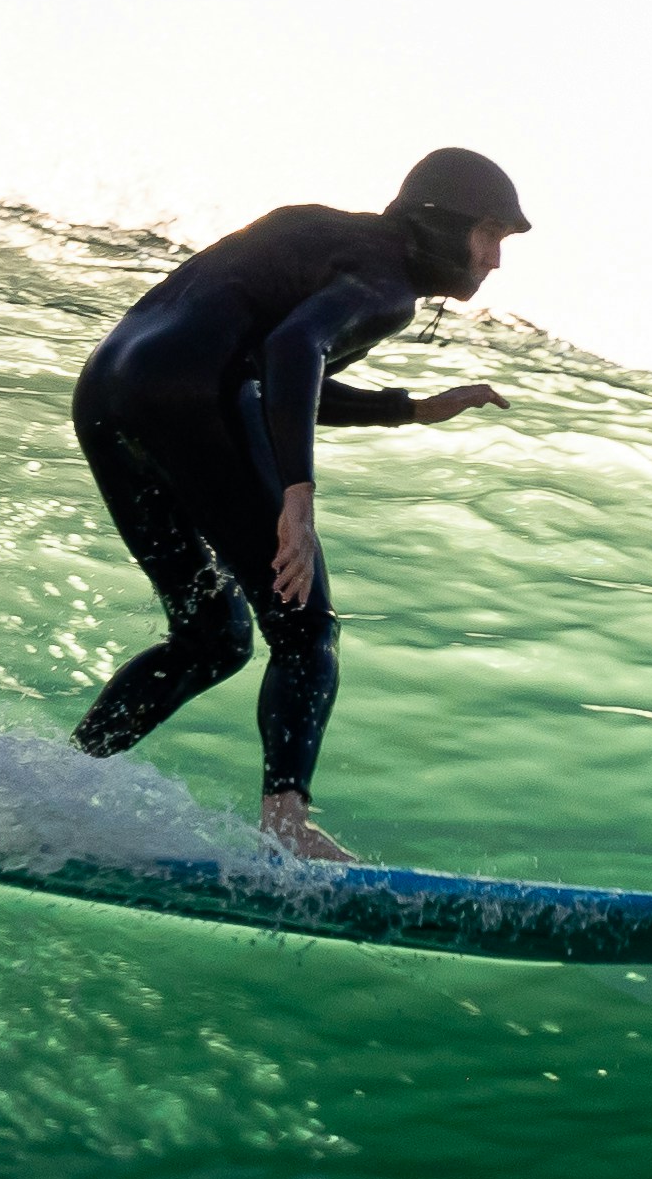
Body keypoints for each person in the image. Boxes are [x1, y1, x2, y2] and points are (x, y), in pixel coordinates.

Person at [67, 148, 530, 863]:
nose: (495, 259)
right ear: (444, 225)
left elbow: (272, 367)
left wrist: (408, 408)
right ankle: (286, 824)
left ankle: (57, 785)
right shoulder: (388, 285)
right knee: (307, 631)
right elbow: (292, 350)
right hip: (193, 399)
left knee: (214, 640)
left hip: (108, 392)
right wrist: (298, 501)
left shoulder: (330, 236)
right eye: (491, 235)